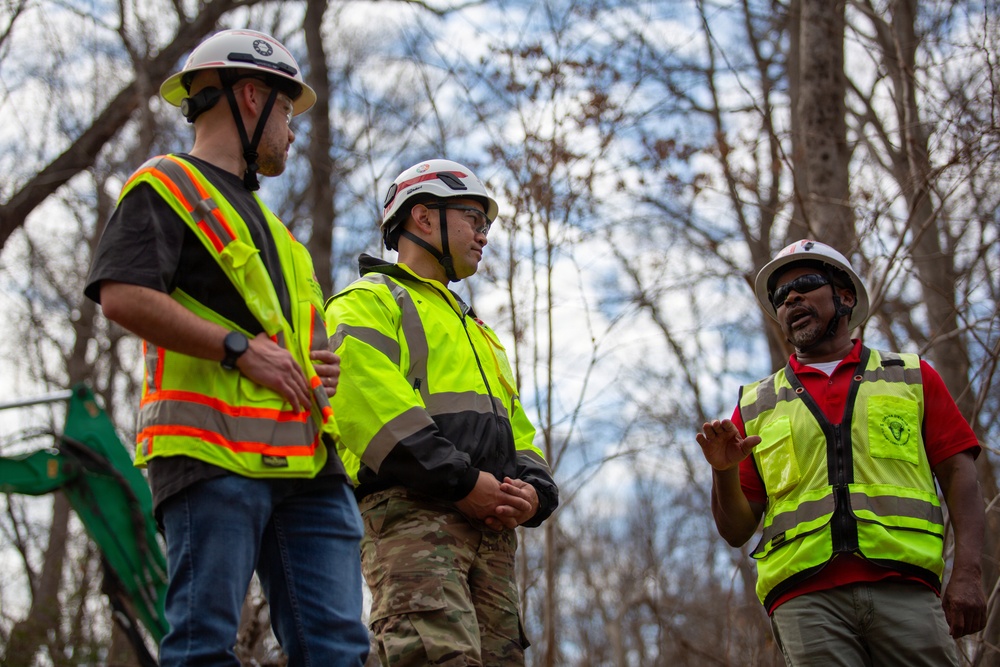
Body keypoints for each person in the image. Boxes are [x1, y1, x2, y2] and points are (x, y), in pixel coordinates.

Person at [84, 29, 369, 666]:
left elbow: (290, 338)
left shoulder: (281, 237)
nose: (293, 132)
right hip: (211, 455)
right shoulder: (168, 184)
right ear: (249, 96)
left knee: (340, 652)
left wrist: (315, 363)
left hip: (309, 469)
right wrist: (240, 349)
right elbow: (122, 294)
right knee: (203, 646)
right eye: (287, 114)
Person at [697, 239, 986, 666]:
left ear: (845, 296)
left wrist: (968, 571)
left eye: (806, 284)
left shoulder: (911, 377)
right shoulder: (756, 405)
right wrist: (723, 472)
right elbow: (736, 531)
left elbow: (960, 476)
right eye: (780, 296)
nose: (791, 298)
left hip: (905, 587)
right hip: (804, 602)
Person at [324, 159, 559, 666]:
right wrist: (463, 483)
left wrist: (533, 494)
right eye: (475, 219)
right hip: (413, 522)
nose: (483, 235)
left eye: (486, 225)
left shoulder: (479, 332)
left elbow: (518, 431)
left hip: (492, 538)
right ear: (425, 218)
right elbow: (371, 412)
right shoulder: (368, 301)